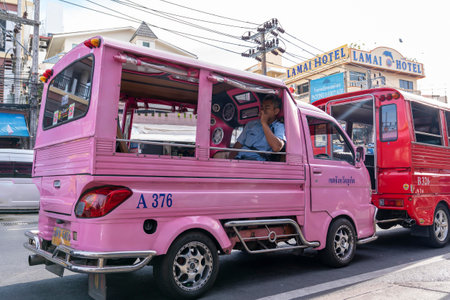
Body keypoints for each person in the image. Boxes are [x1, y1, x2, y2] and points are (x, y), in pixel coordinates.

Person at [229, 94, 285, 161]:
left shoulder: (279, 127)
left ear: (276, 111)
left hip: (257, 163)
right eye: (262, 107)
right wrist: (230, 161)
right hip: (239, 159)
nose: (263, 111)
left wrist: (264, 123)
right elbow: (238, 145)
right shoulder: (251, 124)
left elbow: (276, 147)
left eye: (267, 108)